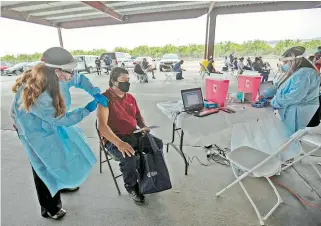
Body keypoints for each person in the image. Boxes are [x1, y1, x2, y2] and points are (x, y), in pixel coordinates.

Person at [10, 50, 106, 219]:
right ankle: (50, 207)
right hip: (34, 131)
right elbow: (61, 119)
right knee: (44, 164)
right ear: (57, 71)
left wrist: (95, 91)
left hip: (50, 123)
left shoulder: (60, 76)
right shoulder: (39, 94)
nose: (73, 74)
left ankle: (61, 181)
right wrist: (87, 109)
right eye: (70, 70)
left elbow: (79, 79)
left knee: (62, 154)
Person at [97, 67, 163, 204]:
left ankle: (147, 175)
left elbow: (138, 116)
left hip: (134, 134)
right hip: (114, 139)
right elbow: (102, 127)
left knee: (157, 144)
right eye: (123, 81)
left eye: (128, 80)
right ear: (113, 82)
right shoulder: (104, 99)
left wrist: (143, 127)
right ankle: (132, 186)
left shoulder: (130, 98)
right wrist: (119, 143)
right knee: (129, 157)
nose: (127, 83)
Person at [260, 46, 320, 161]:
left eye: (286, 62)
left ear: (295, 60)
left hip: (299, 109)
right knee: (285, 133)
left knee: (290, 136)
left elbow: (294, 97)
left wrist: (273, 102)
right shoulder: (293, 71)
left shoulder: (305, 73)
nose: (284, 64)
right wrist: (265, 94)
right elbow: (277, 85)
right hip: (291, 107)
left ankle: (287, 158)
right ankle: (284, 155)